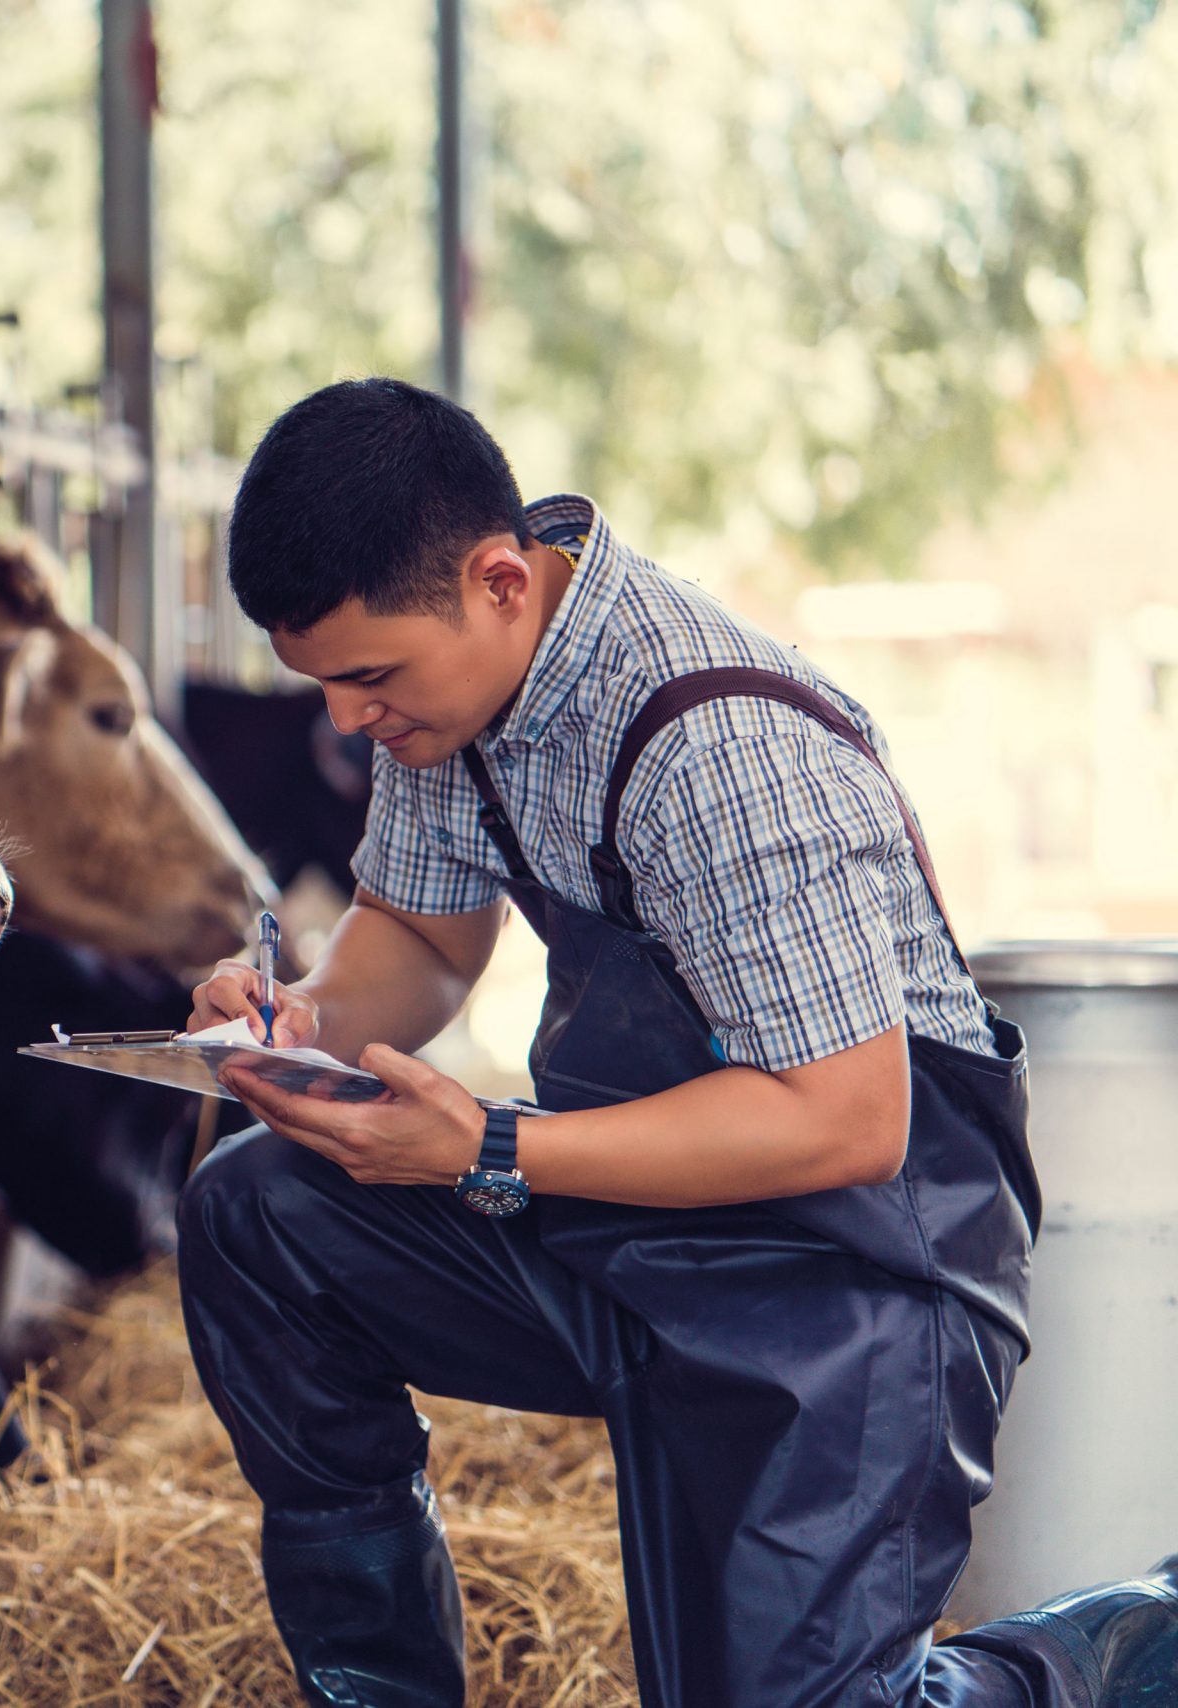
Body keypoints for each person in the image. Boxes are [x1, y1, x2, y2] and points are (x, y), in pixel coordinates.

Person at [179, 377, 1178, 1707]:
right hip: (635, 1227)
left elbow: (844, 1120)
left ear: (499, 583)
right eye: (327, 684)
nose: (347, 722)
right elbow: (420, 946)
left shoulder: (720, 743)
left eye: (367, 679)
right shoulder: (449, 703)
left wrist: (483, 1143)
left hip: (856, 1273)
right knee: (259, 1213)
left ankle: (1127, 1648)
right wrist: (296, 1022)